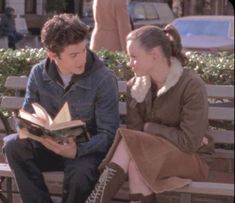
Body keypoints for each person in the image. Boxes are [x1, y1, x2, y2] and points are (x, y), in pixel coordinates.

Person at [85, 25, 214, 203]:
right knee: (135, 163)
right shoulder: (135, 87)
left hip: (191, 159)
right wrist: (151, 132)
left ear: (154, 54)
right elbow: (136, 138)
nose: (130, 63)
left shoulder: (190, 85)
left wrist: (151, 127)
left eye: (134, 57)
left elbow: (189, 143)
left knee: (130, 148)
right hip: (151, 156)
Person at [3, 13, 119, 203]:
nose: (81, 58)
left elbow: (109, 134)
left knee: (80, 173)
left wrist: (77, 151)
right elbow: (26, 120)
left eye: (83, 50)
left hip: (83, 153)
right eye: (73, 55)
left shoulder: (103, 78)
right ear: (52, 54)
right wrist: (36, 130)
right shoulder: (39, 73)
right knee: (13, 145)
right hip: (48, 147)